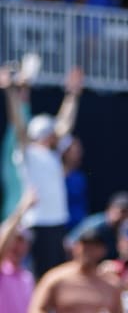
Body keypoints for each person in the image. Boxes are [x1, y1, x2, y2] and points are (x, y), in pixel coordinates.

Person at [7, 65, 83, 277]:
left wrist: (73, 94)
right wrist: (11, 91)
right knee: (37, 275)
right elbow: (18, 123)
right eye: (50, 132)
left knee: (55, 275)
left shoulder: (53, 155)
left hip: (57, 223)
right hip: (37, 224)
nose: (55, 134)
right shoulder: (27, 153)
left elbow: (65, 124)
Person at [0, 190, 38, 313]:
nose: (16, 244)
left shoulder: (28, 278)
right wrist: (22, 208)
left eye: (22, 240)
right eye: (13, 239)